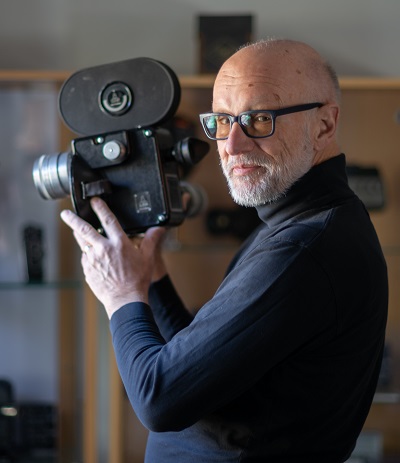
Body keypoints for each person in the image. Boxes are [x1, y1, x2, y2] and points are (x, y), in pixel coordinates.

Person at [61, 38, 388, 462]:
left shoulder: (302, 247)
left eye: (258, 119)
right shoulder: (291, 223)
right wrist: (152, 275)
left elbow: (159, 398)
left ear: (324, 124)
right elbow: (196, 364)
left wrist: (122, 293)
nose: (231, 146)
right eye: (220, 121)